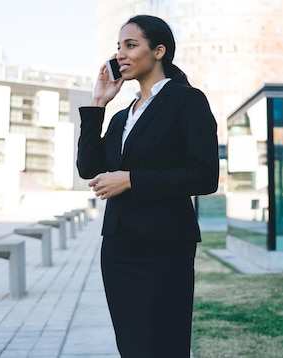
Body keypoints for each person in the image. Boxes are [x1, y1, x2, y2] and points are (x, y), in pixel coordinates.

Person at [76, 14, 219, 358]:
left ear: (158, 51)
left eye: (131, 45)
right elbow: (89, 168)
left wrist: (131, 180)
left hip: (164, 247)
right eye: (118, 47)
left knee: (164, 346)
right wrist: (98, 103)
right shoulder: (124, 115)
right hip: (118, 248)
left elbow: (205, 176)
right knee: (132, 346)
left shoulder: (187, 101)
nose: (121, 55)